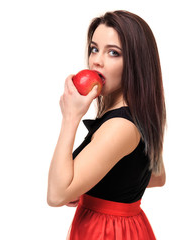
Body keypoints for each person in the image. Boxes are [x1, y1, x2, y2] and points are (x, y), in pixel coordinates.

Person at [47, 10, 166, 240]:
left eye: (113, 53)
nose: (97, 60)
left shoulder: (120, 126)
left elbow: (55, 195)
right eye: (94, 49)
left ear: (136, 63)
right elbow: (157, 176)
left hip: (107, 233)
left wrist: (70, 117)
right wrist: (87, 184)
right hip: (124, 228)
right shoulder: (138, 113)